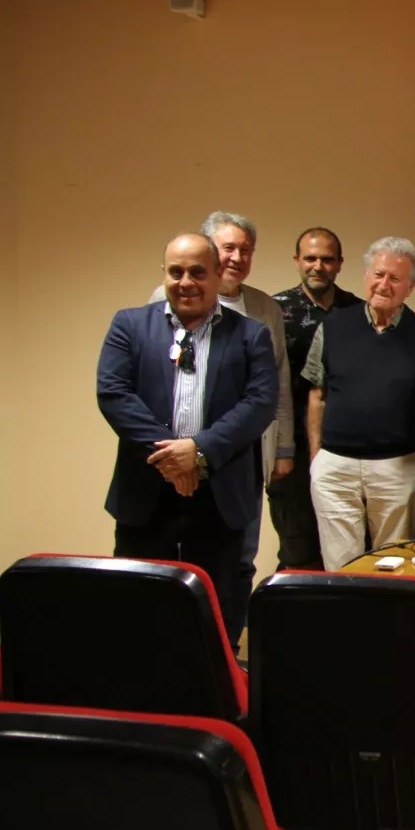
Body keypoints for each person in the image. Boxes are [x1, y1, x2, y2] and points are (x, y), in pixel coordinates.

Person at [100, 234, 278, 649]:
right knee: (139, 602)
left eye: (198, 272)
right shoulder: (129, 325)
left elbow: (260, 403)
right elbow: (114, 393)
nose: (186, 282)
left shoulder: (251, 334)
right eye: (176, 272)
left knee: (217, 604)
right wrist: (171, 456)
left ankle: (216, 678)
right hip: (147, 490)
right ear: (163, 274)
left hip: (220, 492)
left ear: (217, 275)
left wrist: (198, 453)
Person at [150, 212, 293, 623]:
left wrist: (284, 448)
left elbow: (277, 383)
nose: (237, 257)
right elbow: (154, 384)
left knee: (238, 558)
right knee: (175, 557)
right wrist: (182, 454)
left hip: (240, 456)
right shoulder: (161, 302)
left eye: (246, 250)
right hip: (174, 456)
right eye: (228, 248)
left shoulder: (264, 308)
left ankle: (226, 645)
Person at [303, 238, 415, 571]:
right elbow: (317, 394)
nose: (383, 285)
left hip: (397, 467)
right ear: (366, 276)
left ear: (410, 287)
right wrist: (317, 456)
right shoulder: (333, 326)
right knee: (340, 567)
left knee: (395, 565)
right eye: (378, 274)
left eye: (395, 278)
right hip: (335, 467)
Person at [269, 227, 361, 570]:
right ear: (297, 261)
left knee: (349, 549)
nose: (318, 266)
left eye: (326, 259)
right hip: (289, 448)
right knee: (296, 546)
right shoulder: (274, 311)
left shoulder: (358, 311)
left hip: (343, 447)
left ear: (340, 263)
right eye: (310, 258)